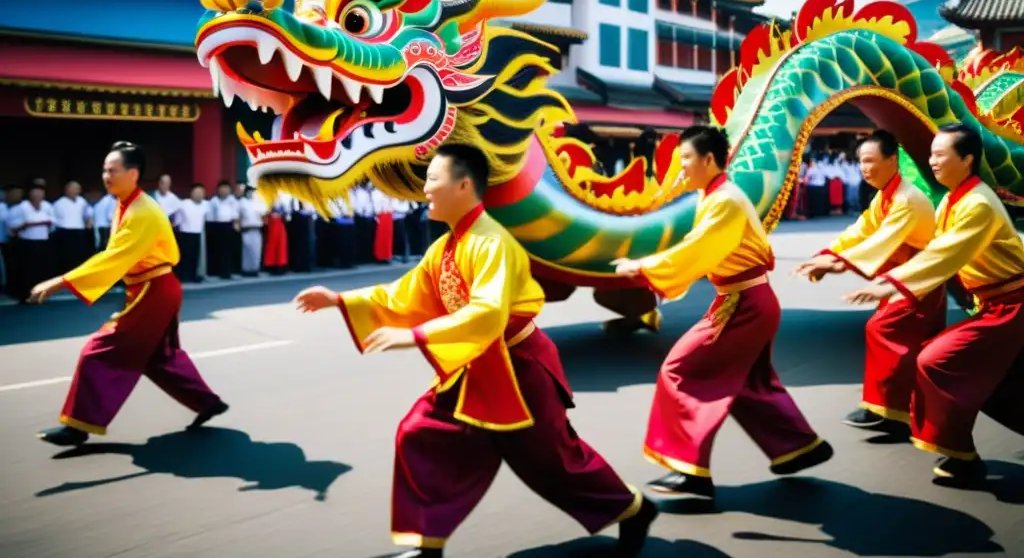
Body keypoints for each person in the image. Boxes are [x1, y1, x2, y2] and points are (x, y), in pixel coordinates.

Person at [293, 143, 658, 558]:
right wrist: (340, 299)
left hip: (519, 371)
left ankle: (634, 510)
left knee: (555, 464)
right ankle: (426, 545)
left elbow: (487, 314)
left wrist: (414, 336)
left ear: (463, 185)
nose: (425, 187)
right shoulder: (445, 247)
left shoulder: (492, 242)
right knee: (420, 433)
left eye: (433, 178)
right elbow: (404, 295)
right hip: (474, 370)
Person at [614, 125, 832, 500]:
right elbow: (698, 243)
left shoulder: (725, 200)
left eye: (685, 159)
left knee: (679, 370)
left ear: (708, 159)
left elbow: (698, 249)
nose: (680, 167)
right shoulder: (714, 194)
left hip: (742, 303)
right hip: (749, 300)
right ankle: (800, 447)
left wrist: (642, 267)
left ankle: (689, 469)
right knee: (748, 383)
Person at [846, 124, 1024, 483]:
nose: (932, 162)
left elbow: (945, 254)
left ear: (967, 159)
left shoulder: (978, 204)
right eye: (931, 155)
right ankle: (943, 442)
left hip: (1013, 306)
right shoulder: (951, 199)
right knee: (984, 378)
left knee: (936, 359)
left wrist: (891, 285)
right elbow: (933, 251)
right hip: (992, 304)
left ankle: (960, 454)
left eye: (940, 155)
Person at [28, 141, 229, 446]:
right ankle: (208, 402)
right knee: (157, 358)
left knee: (97, 352)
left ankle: (79, 425)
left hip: (154, 290)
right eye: (105, 170)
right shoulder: (126, 203)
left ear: (133, 174)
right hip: (149, 288)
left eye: (113, 170)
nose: (106, 176)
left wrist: (60, 282)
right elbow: (117, 256)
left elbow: (113, 258)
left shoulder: (142, 212)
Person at [794, 130, 943, 433]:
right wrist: (827, 253)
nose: (865, 168)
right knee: (898, 340)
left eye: (871, 161)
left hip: (918, 281)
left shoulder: (907, 199)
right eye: (861, 161)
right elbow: (861, 231)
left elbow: (879, 243)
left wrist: (836, 263)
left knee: (883, 330)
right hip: (899, 280)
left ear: (892, 160)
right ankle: (894, 412)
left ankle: (889, 409)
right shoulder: (885, 196)